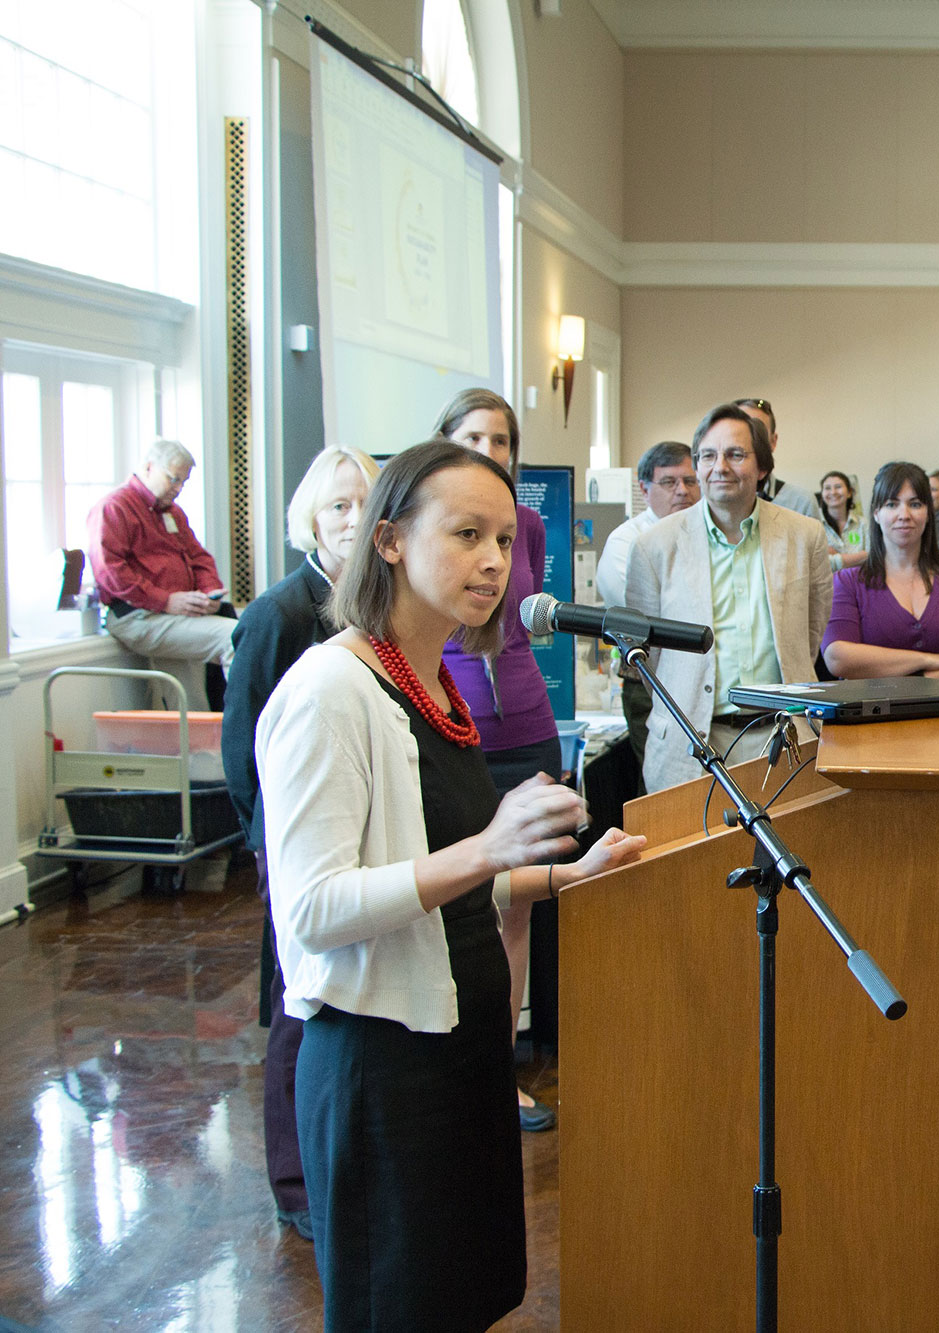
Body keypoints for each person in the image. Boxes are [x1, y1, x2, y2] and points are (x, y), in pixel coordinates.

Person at [255, 440, 644, 1330]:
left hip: (464, 1054)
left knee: (464, 1301)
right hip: (384, 1072)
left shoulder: (431, 679)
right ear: (387, 540)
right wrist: (490, 846)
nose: (494, 561)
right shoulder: (330, 692)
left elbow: (452, 892)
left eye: (505, 539)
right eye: (467, 533)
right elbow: (312, 913)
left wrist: (561, 874)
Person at [221, 445, 378, 1243]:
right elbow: (241, 745)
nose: (352, 518)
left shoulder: (369, 604)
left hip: (354, 837)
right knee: (295, 1007)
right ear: (309, 520)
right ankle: (293, 1184)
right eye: (337, 506)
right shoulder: (280, 613)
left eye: (364, 502)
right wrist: (265, 852)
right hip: (291, 848)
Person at [433, 388, 563, 1134]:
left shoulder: (532, 525)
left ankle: (501, 1065)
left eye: (503, 440)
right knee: (465, 899)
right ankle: (456, 1061)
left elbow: (524, 621)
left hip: (529, 724)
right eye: (474, 437)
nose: (490, 451)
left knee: (518, 905)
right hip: (458, 723)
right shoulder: (433, 529)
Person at [626, 404, 834, 793]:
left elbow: (808, 636)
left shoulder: (805, 536)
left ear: (763, 467)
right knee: (692, 854)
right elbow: (646, 654)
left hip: (784, 739)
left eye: (735, 454)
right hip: (690, 746)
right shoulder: (654, 546)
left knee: (789, 853)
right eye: (708, 455)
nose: (719, 466)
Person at [87, 439, 236, 710]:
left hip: (174, 615)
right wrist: (166, 600)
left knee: (190, 703)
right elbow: (111, 572)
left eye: (184, 482)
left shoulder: (172, 513)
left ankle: (206, 750)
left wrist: (207, 593)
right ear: (148, 468)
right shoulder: (113, 507)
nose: (178, 489)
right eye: (174, 479)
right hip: (138, 616)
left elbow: (199, 558)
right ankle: (247, 728)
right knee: (237, 636)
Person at [821, 460, 939, 686]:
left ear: (928, 513)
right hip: (875, 720)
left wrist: (921, 680)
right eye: (892, 504)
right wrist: (928, 659)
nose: (904, 514)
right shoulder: (847, 583)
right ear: (876, 513)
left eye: (915, 504)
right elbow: (838, 657)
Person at [596, 442, 702, 765]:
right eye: (669, 482)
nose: (682, 491)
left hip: (703, 681)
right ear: (644, 488)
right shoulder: (626, 543)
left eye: (690, 481)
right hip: (651, 683)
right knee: (663, 787)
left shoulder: (709, 536)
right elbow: (650, 618)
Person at [733, 397, 821, 519]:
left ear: (773, 442)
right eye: (739, 431)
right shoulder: (713, 501)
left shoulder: (801, 503)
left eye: (758, 431)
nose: (747, 439)